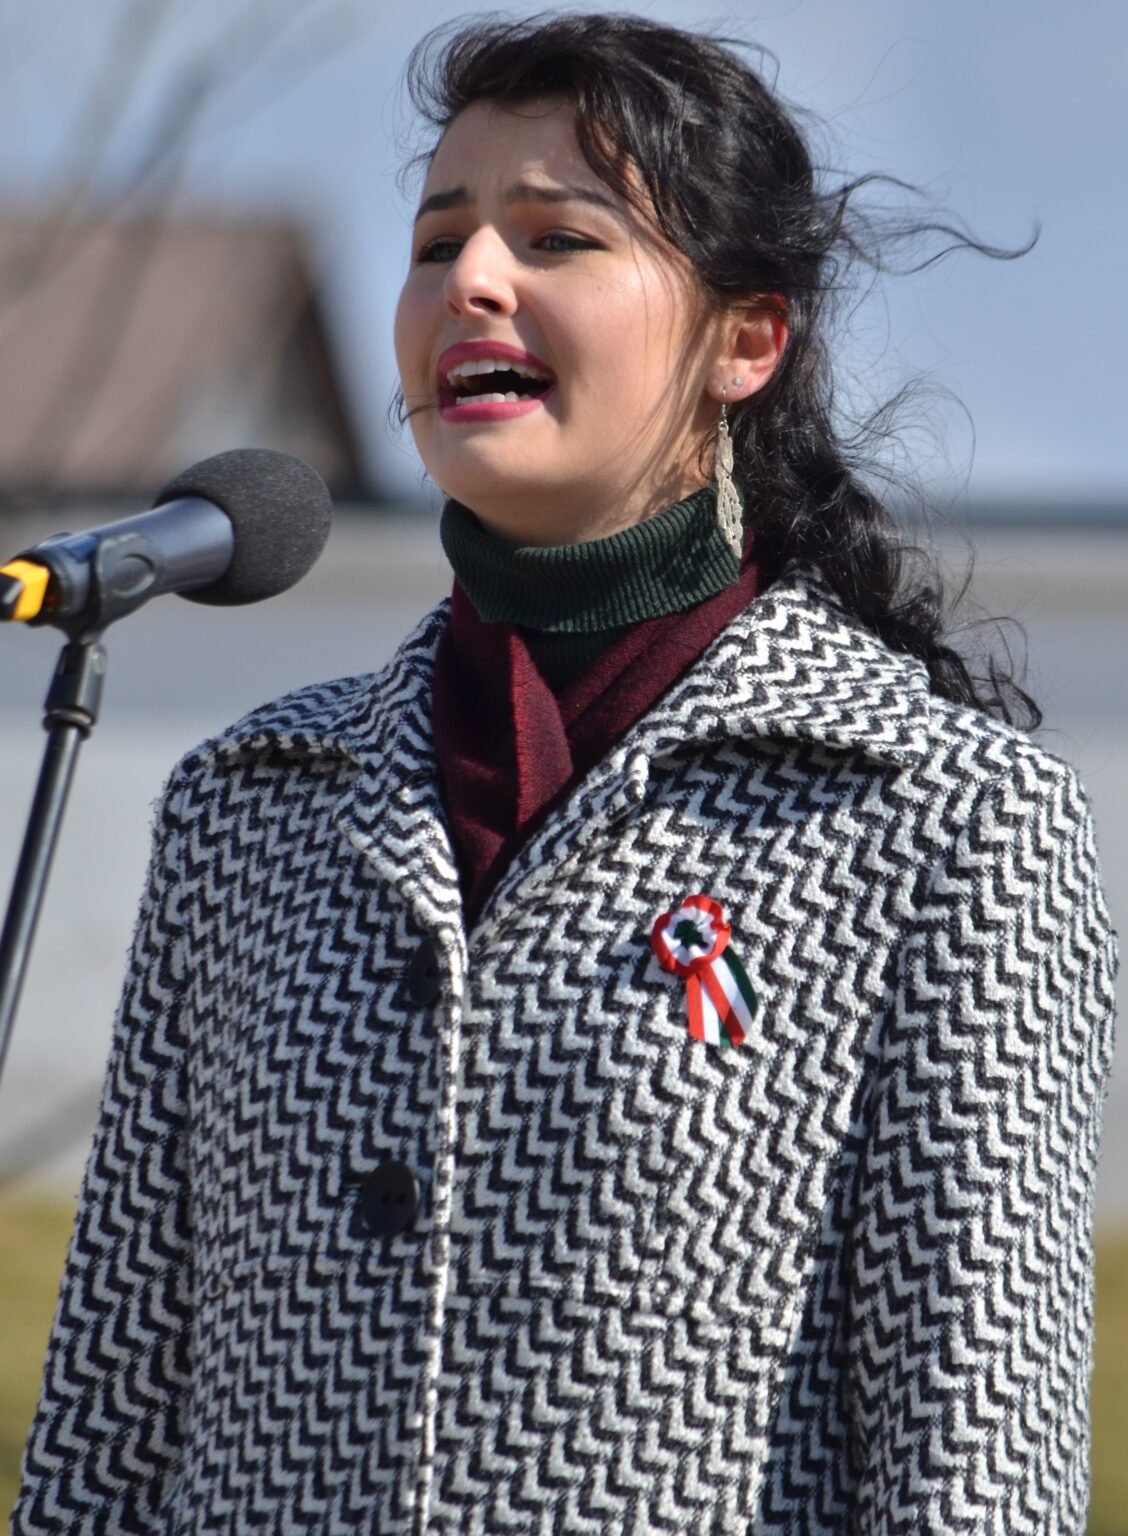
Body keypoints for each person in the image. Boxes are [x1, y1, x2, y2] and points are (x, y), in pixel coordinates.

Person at [14, 14, 1118, 1536]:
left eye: (558, 238)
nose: (470, 279)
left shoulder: (944, 823)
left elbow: (978, 1472)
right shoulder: (248, 806)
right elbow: (106, 1439)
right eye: (438, 240)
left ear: (747, 340)